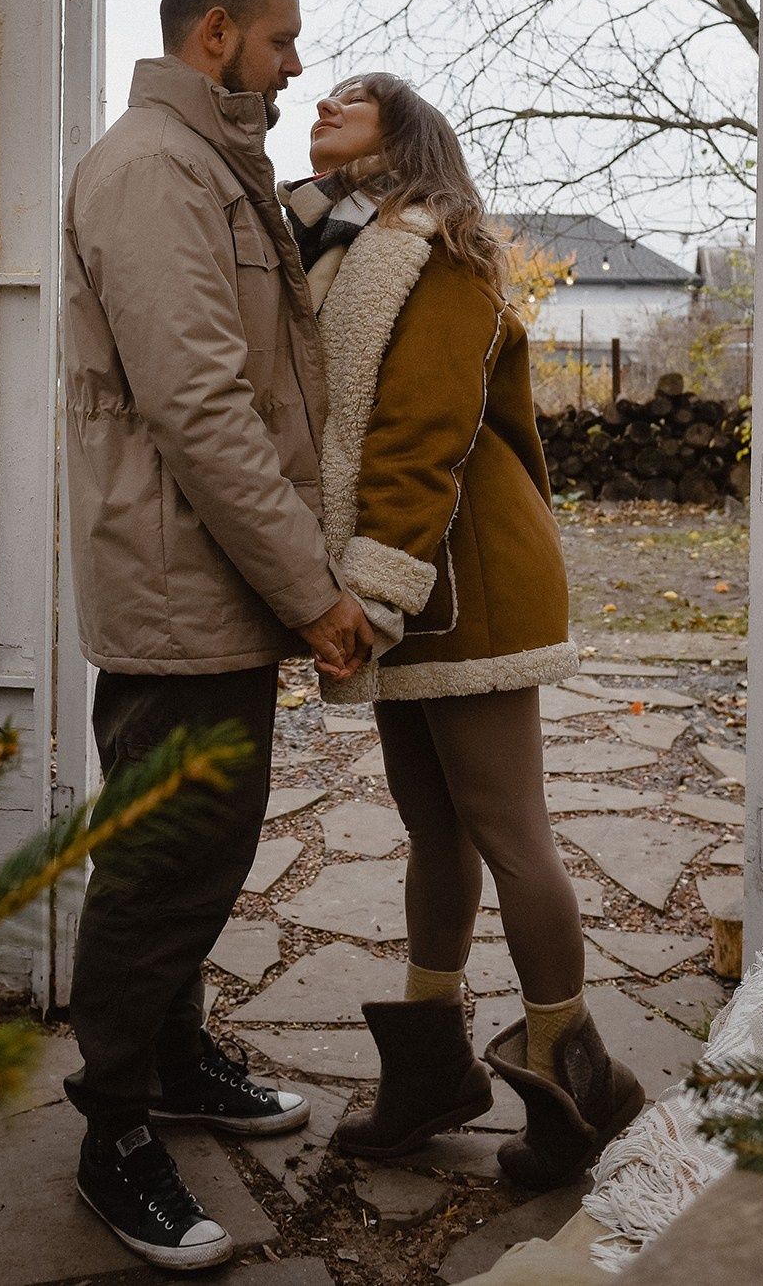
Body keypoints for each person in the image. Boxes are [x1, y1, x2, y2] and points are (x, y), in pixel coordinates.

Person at [62, 0, 374, 1271]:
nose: (295, 63)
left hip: (212, 584)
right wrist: (312, 594)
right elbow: (197, 406)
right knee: (159, 870)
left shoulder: (206, 166)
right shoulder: (148, 173)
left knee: (199, 853)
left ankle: (176, 1058)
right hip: (180, 588)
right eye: (279, 39)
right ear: (211, 37)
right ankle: (111, 1133)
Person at [281, 73, 645, 1188]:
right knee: (432, 829)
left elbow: (420, 432)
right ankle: (434, 1070)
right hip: (414, 576)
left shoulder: (438, 253)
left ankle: (577, 1080)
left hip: (461, 575)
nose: (321, 106)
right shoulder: (349, 247)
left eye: (352, 97)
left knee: (508, 831)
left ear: (408, 131)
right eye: (318, 97)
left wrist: (374, 588)